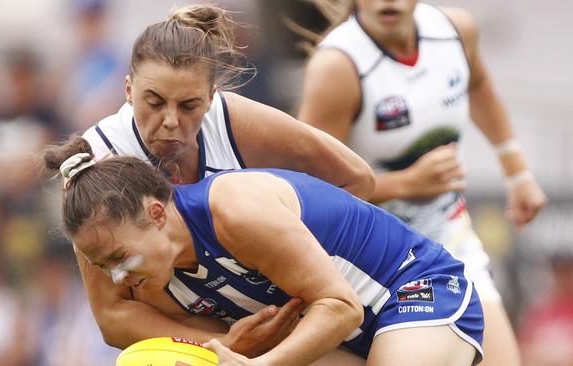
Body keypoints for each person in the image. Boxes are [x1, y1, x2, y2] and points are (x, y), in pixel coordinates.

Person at [75, 3, 376, 356]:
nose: (170, 120)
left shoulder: (233, 119)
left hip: (295, 304)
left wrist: (298, 270)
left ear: (211, 97)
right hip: (207, 324)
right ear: (128, 90)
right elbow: (112, 316)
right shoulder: (98, 161)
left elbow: (356, 179)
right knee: (143, 278)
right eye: (153, 102)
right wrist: (225, 345)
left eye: (189, 106)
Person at [41, 136, 484, 366]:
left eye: (118, 258)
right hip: (345, 338)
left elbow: (342, 307)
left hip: (415, 290)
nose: (117, 279)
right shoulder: (154, 281)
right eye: (102, 267)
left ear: (157, 214)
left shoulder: (233, 211)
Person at [296, 1, 548, 365]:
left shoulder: (456, 30)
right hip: (369, 260)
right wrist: (404, 184)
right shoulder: (337, 65)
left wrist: (518, 172)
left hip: (449, 242)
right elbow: (309, 191)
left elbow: (479, 87)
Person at [518, 253, 573, 366]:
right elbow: (522, 351)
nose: (564, 278)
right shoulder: (543, 309)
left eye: (569, 272)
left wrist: (543, 357)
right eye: (559, 272)